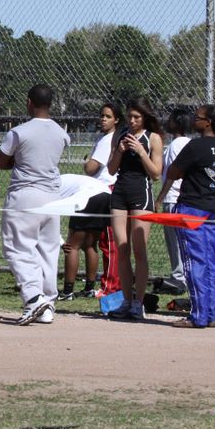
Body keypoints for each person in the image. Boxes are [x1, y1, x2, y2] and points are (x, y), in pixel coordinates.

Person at [0, 85, 73, 325]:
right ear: (50, 103)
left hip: (25, 194)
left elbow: (1, 162)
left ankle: (33, 297)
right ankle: (47, 303)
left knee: (17, 248)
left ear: (29, 102)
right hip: (52, 196)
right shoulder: (61, 132)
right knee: (47, 250)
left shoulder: (19, 132)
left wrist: (20, 160)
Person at [160, 104, 215, 329]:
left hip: (192, 208)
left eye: (197, 117)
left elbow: (173, 172)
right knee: (209, 261)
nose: (193, 120)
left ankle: (198, 315)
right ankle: (212, 313)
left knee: (193, 261)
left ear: (208, 123)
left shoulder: (196, 145)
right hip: (213, 207)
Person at [107, 97, 164, 321]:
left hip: (141, 193)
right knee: (122, 249)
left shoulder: (153, 138)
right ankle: (126, 300)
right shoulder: (120, 135)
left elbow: (156, 174)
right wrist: (119, 151)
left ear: (145, 117)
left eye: (137, 117)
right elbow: (111, 170)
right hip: (120, 193)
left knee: (139, 250)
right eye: (129, 116)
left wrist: (141, 152)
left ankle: (138, 303)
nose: (132, 121)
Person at [154, 106, 194, 295]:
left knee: (174, 241)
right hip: (184, 198)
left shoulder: (177, 144)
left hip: (173, 198)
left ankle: (179, 277)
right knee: (182, 240)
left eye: (170, 119)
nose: (167, 122)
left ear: (177, 123)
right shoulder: (189, 143)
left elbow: (172, 173)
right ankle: (183, 275)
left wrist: (160, 199)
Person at [84, 102, 122, 298]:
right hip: (106, 190)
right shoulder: (108, 138)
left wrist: (86, 163)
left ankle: (110, 285)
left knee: (109, 241)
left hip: (106, 189)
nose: (103, 119)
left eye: (108, 116)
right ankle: (115, 282)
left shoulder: (108, 140)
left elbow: (91, 167)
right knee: (107, 240)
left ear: (116, 120)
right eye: (102, 116)